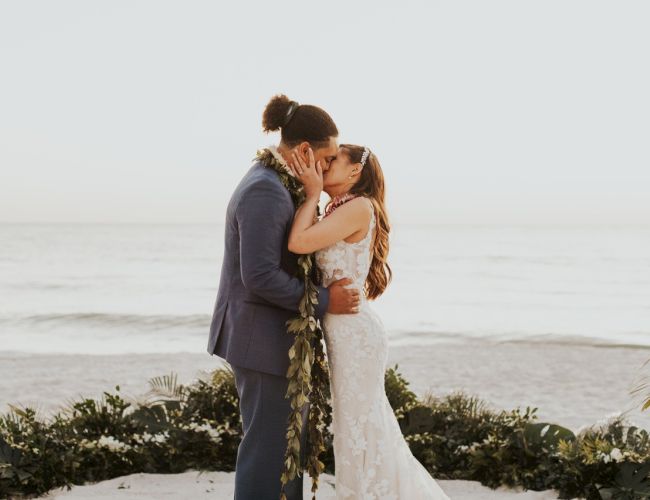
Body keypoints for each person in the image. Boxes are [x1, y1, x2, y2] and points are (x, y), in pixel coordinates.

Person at [206, 94, 360, 500]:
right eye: (327, 160)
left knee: (283, 450)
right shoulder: (265, 190)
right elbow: (258, 277)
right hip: (262, 341)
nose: (328, 170)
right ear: (306, 150)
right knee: (268, 453)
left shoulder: (277, 182)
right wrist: (326, 301)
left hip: (272, 340)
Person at [285, 145, 452, 499]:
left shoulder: (358, 207)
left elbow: (299, 242)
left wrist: (312, 191)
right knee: (355, 426)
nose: (324, 164)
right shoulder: (342, 208)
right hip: (345, 330)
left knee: (361, 426)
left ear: (353, 173)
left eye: (333, 160)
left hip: (354, 334)